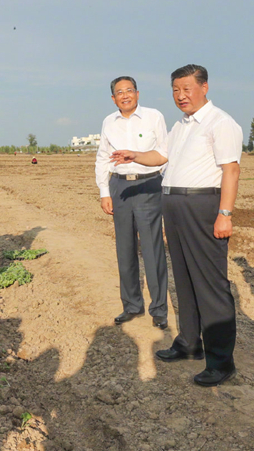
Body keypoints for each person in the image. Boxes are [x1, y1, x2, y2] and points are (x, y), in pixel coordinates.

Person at [116, 64, 242, 387]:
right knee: (184, 279)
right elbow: (161, 157)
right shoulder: (181, 126)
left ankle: (221, 360)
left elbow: (231, 170)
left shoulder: (221, 123)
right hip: (172, 205)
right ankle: (189, 342)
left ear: (205, 87)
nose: (180, 96)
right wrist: (134, 155)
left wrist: (224, 213)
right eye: (175, 90)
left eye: (187, 89)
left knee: (210, 284)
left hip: (202, 205)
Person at [95, 75, 169, 328]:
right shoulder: (108, 122)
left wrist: (166, 187)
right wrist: (105, 191)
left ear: (137, 94)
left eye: (129, 90)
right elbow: (103, 158)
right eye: (119, 92)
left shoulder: (154, 117)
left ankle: (158, 309)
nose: (125, 95)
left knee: (152, 249)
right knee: (125, 249)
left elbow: (165, 154)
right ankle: (131, 305)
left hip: (148, 184)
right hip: (120, 187)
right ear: (113, 98)